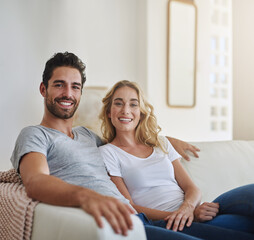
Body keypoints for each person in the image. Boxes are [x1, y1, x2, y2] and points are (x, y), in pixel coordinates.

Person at [10, 52, 254, 240]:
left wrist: (166, 140)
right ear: (43, 89)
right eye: (59, 85)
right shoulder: (34, 134)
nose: (68, 93)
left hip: (140, 218)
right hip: (125, 222)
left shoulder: (87, 136)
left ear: (81, 94)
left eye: (75, 87)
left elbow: (127, 140)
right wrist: (86, 197)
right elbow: (36, 182)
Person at [99, 80, 254, 237]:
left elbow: (191, 188)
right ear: (109, 112)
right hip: (168, 222)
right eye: (118, 104)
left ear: (141, 113)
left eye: (133, 104)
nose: (126, 110)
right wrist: (182, 215)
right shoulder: (107, 153)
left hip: (194, 212)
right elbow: (130, 206)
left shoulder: (161, 143)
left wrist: (188, 209)